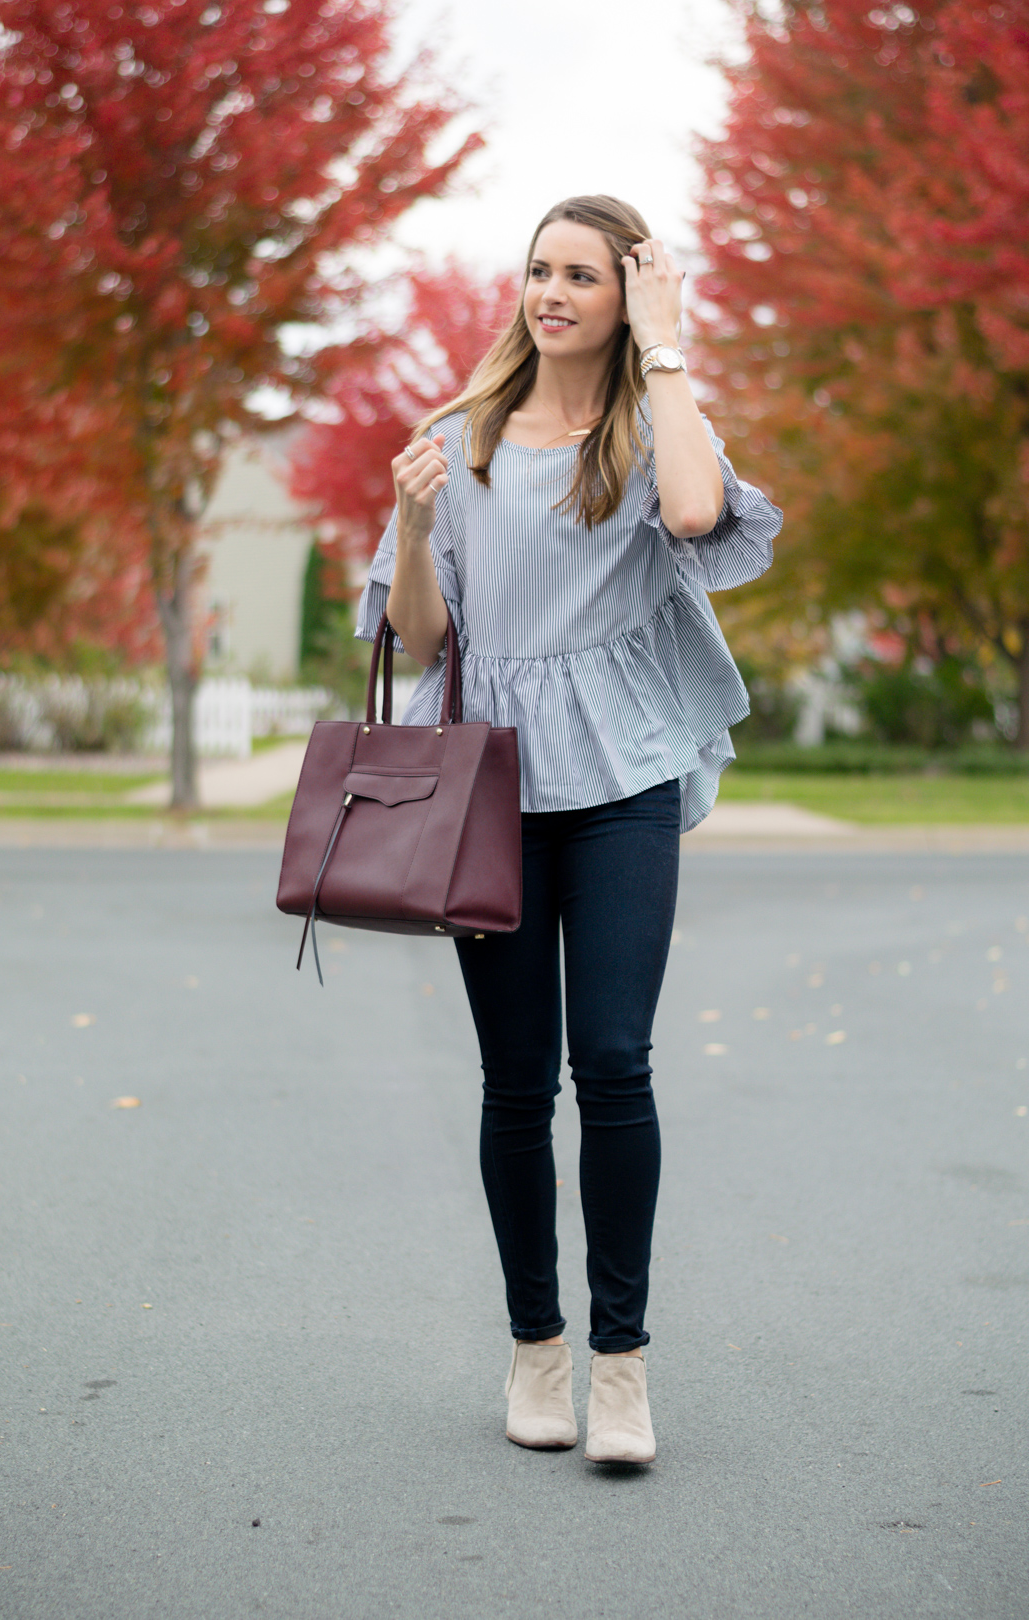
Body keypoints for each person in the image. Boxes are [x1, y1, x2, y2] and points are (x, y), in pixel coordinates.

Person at [355, 194, 782, 1465]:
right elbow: (424, 642)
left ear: (624, 292)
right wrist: (421, 523)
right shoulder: (459, 437)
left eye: (582, 275)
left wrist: (670, 343)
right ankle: (535, 1346)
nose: (551, 292)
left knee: (616, 1064)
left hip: (624, 784)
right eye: (539, 269)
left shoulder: (653, 433)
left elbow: (701, 517)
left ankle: (622, 1366)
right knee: (514, 1084)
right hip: (489, 793)